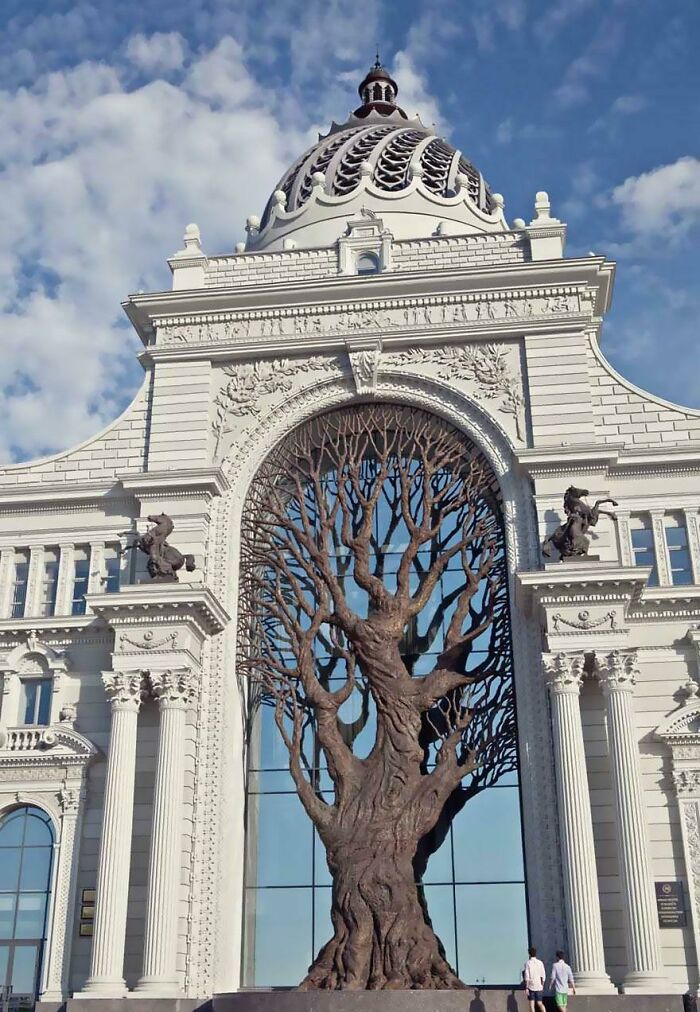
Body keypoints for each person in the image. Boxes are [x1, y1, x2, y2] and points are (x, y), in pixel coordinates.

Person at [522, 946, 546, 1012]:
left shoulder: (527, 963)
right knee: (540, 1003)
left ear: (529, 954)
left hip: (531, 986)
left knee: (531, 1004)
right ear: (536, 954)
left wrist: (526, 988)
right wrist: (542, 985)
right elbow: (543, 975)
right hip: (539, 986)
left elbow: (527, 976)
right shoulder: (540, 962)